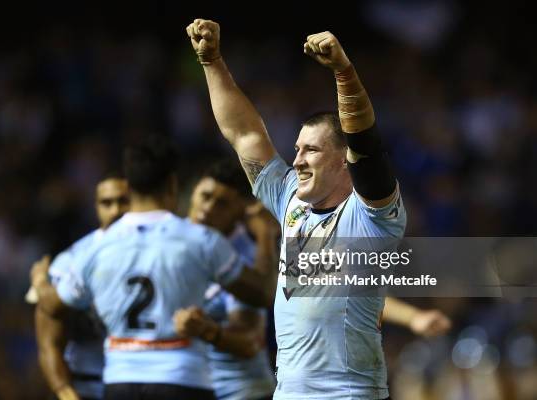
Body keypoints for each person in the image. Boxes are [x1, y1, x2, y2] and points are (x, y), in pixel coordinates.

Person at [186, 19, 405, 399]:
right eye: (298, 149)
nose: (298, 160)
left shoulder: (372, 217)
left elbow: (366, 146)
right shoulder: (291, 201)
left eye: (313, 150)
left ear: (343, 162)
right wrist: (212, 61)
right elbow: (245, 134)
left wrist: (343, 73)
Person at [31, 135, 278, 400]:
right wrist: (267, 234)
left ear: (131, 187)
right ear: (174, 185)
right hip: (182, 378)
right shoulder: (200, 242)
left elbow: (52, 306)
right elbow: (263, 293)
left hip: (120, 380)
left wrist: (41, 281)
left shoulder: (97, 246)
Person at [174, 160, 276, 400]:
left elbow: (250, 342)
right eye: (205, 196)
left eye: (222, 204)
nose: (207, 208)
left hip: (240, 392)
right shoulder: (173, 241)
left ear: (240, 212)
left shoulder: (246, 261)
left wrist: (208, 331)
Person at [28, 175, 130, 400]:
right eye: (107, 203)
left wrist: (40, 283)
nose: (115, 210)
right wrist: (66, 394)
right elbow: (48, 343)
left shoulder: (160, 252)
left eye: (123, 201)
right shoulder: (69, 263)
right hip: (87, 386)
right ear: (96, 207)